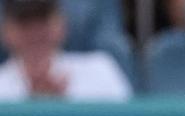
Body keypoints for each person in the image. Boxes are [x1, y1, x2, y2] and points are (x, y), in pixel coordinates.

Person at [0, 0, 131, 102]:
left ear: (61, 23)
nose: (35, 32)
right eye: (25, 23)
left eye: (43, 21)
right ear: (6, 30)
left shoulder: (100, 70)